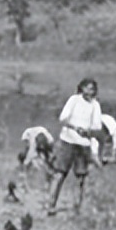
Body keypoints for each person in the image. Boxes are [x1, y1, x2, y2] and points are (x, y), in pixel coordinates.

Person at [47, 77, 103, 214]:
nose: (90, 92)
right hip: (68, 140)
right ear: (82, 88)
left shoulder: (95, 105)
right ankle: (51, 205)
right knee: (59, 174)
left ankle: (78, 207)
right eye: (87, 88)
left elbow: (97, 126)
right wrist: (75, 128)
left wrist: (88, 132)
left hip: (83, 144)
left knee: (81, 177)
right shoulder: (74, 100)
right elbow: (63, 118)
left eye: (92, 89)